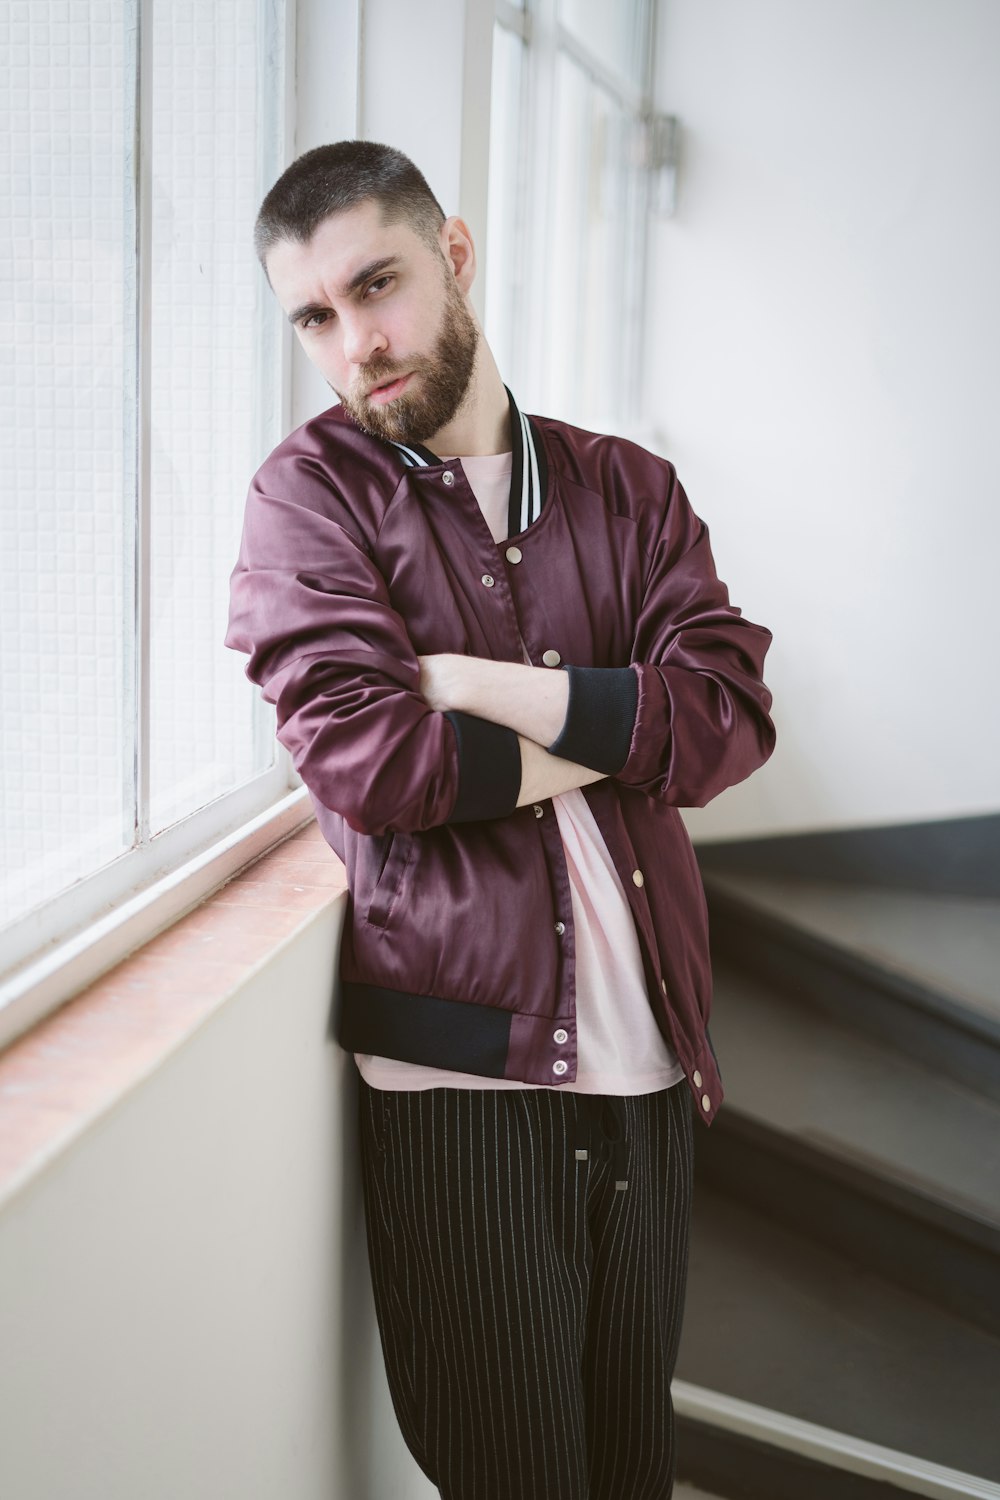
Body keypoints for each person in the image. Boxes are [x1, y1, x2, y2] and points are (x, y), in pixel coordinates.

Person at [226, 139, 775, 1500]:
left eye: (379, 286)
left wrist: (482, 686)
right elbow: (377, 766)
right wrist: (613, 727)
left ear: (456, 255)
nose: (357, 342)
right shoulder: (308, 501)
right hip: (458, 1084)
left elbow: (729, 723)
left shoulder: (627, 492)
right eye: (315, 316)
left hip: (650, 1065)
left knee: (627, 1468)